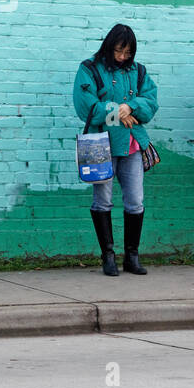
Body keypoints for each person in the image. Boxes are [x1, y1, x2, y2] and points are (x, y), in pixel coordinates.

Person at [73, 24, 159, 276]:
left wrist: (130, 107)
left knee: (135, 201)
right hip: (101, 144)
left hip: (132, 145)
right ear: (109, 46)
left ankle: (132, 256)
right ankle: (108, 256)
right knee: (103, 200)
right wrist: (117, 111)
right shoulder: (88, 68)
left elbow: (151, 102)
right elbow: (84, 105)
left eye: (128, 53)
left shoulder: (139, 72)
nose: (122, 57)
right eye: (118, 51)